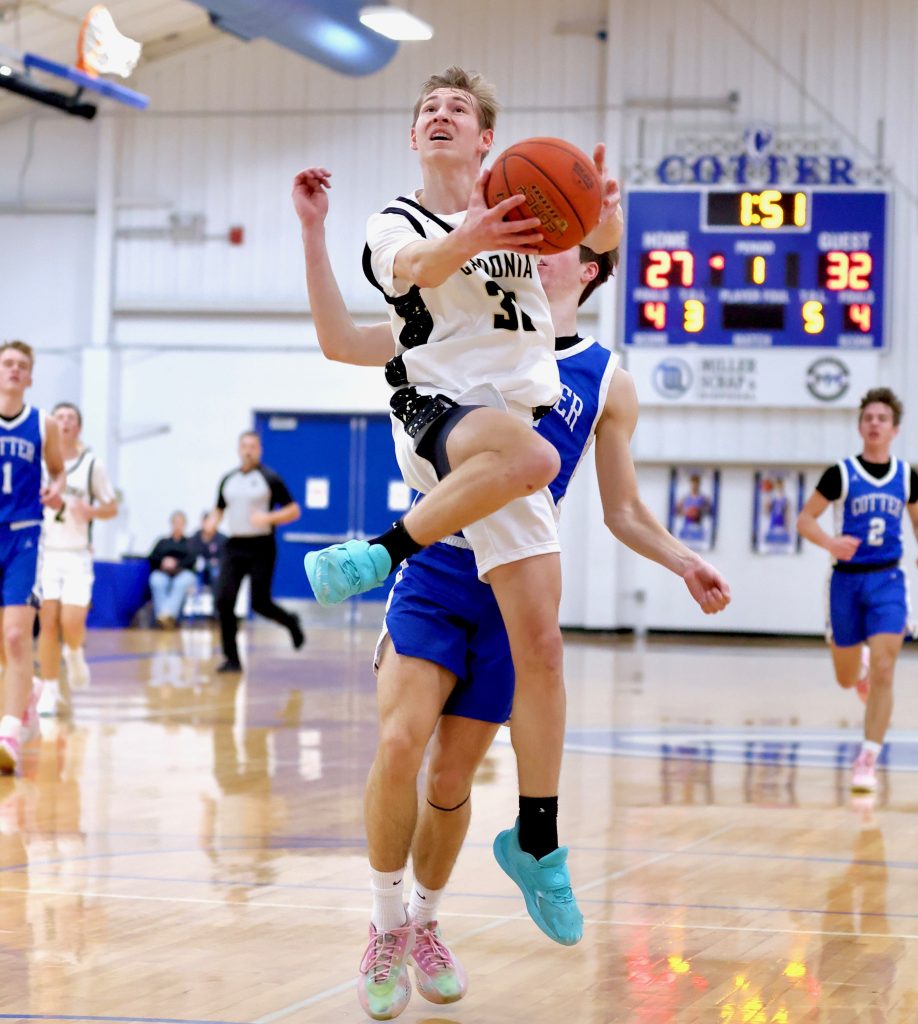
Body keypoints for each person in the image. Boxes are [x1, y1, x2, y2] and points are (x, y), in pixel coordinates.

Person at [291, 171, 730, 1017]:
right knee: (396, 744)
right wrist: (315, 234)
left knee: (450, 781)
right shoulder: (455, 325)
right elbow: (340, 338)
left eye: (560, 239)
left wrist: (683, 561)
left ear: (586, 268)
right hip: (437, 566)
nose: (539, 244)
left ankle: (425, 921)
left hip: (514, 590)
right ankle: (383, 926)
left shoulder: (607, 379)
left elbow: (624, 510)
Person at [296, 66, 622, 947]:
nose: (441, 116)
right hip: (441, 417)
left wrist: (598, 204)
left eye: (460, 110)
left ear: (489, 140)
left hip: (505, 448)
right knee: (535, 451)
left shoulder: (520, 217)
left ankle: (539, 838)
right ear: (414, 138)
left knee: (545, 650)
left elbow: (581, 248)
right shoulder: (396, 220)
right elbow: (421, 267)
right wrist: (457, 234)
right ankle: (385, 550)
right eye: (427, 110)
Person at [796, 387, 918, 793]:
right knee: (844, 677)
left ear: (894, 429)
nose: (874, 423)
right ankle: (856, 675)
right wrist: (830, 543)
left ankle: (868, 757)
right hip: (845, 580)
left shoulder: (907, 476)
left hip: (888, 579)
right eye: (868, 417)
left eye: (882, 418)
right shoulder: (841, 473)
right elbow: (805, 519)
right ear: (861, 426)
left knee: (886, 669)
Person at [0, 340, 66, 774]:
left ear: (30, 376)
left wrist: (56, 488)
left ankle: (7, 733)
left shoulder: (42, 424)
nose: (14, 370)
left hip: (24, 535)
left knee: (15, 637)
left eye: (22, 365)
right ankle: (25, 699)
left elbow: (58, 470)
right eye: (7, 363)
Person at [36, 401, 118, 716]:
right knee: (47, 622)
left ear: (79, 428)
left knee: (72, 622)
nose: (65, 422)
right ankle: (50, 690)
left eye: (71, 418)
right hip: (45, 553)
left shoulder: (91, 464)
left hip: (77, 554)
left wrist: (93, 511)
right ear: (52, 426)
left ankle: (73, 653)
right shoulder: (39, 463)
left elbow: (112, 507)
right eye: (60, 417)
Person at [208, 431, 304, 674]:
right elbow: (219, 509)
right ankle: (232, 658)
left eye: (252, 446)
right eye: (244, 446)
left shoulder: (269, 478)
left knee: (260, 603)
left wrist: (268, 518)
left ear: (259, 450)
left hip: (261, 546)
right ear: (239, 449)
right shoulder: (227, 479)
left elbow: (293, 510)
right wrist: (210, 524)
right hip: (234, 546)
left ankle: (290, 622)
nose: (248, 450)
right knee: (224, 600)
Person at [148, 511, 198, 628]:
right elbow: (152, 558)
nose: (178, 525)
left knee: (180, 583)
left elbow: (192, 561)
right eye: (175, 522)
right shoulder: (162, 542)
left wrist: (176, 564)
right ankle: (165, 618)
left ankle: (166, 615)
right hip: (163, 573)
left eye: (180, 523)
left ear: (185, 524)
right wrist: (163, 562)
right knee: (156, 580)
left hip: (183, 573)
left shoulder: (189, 543)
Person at [190, 512, 227, 595]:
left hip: (216, 569)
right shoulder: (194, 538)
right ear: (202, 522)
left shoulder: (222, 539)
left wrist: (217, 562)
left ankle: (216, 603)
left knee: (216, 573)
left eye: (211, 522)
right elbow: (191, 555)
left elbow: (226, 556)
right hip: (197, 569)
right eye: (206, 522)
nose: (209, 525)